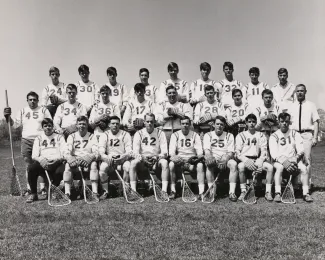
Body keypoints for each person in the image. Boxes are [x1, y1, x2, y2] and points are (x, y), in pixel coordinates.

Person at [3, 91, 52, 195]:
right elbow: (15, 125)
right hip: (26, 140)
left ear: (38, 100)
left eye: (34, 99)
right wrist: (8, 117)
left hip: (40, 140)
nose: (32, 101)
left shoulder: (43, 110)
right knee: (29, 165)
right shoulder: (22, 111)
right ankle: (30, 188)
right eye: (30, 99)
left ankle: (43, 188)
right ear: (27, 101)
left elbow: (49, 123)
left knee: (42, 163)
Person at [269, 112, 312, 202]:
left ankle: (305, 193)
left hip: (293, 160)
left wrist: (294, 159)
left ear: (289, 122)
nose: (284, 123)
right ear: (278, 122)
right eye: (282, 121)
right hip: (279, 162)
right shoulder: (274, 136)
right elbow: (274, 153)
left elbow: (301, 150)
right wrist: (285, 162)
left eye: (286, 121)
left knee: (304, 168)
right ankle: (277, 193)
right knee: (280, 168)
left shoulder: (295, 134)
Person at [235, 114, 274, 201]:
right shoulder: (241, 135)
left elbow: (264, 151)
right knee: (240, 167)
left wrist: (260, 161)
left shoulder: (260, 135)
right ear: (246, 123)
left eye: (253, 122)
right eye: (249, 122)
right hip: (245, 159)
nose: (251, 124)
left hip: (257, 159)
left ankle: (268, 192)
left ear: (256, 123)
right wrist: (246, 161)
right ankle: (243, 191)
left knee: (270, 167)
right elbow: (237, 152)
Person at [288, 84, 320, 187]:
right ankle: (294, 184)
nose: (300, 93)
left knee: (306, 159)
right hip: (295, 134)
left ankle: (307, 185)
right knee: (294, 158)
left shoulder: (311, 105)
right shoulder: (292, 106)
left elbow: (316, 121)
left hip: (307, 134)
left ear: (305, 91)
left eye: (302, 91)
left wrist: (315, 137)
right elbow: (288, 122)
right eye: (298, 91)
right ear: (295, 93)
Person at [129, 113, 169, 195]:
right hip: (143, 161)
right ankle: (133, 191)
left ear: (154, 122)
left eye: (151, 121)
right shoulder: (139, 133)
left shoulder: (160, 133)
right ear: (144, 122)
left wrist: (157, 157)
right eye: (147, 121)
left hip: (155, 160)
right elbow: (135, 152)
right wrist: (142, 158)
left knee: (165, 162)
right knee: (133, 163)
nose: (149, 123)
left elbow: (165, 152)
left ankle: (164, 191)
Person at [29, 118, 66, 203]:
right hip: (44, 163)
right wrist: (41, 160)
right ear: (42, 127)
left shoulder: (59, 137)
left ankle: (54, 189)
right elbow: (34, 155)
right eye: (45, 126)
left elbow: (65, 151)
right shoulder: (38, 138)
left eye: (50, 125)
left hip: (56, 162)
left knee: (63, 169)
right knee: (31, 168)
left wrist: (58, 159)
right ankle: (34, 194)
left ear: (53, 126)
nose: (48, 128)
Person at [203, 116, 238, 202]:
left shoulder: (229, 135)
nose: (219, 126)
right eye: (217, 124)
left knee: (234, 164)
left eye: (221, 124)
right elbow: (207, 150)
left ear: (224, 126)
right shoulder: (208, 135)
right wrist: (210, 157)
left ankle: (232, 192)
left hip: (225, 158)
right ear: (214, 125)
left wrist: (225, 158)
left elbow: (230, 152)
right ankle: (212, 192)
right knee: (209, 164)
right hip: (213, 157)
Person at [63, 116, 99, 199]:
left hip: (87, 160)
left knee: (94, 164)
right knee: (67, 166)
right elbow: (67, 150)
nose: (81, 126)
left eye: (84, 124)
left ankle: (95, 192)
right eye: (79, 124)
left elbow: (96, 151)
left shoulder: (92, 136)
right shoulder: (71, 136)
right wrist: (70, 158)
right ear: (76, 125)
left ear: (87, 125)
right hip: (75, 160)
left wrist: (90, 157)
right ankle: (67, 193)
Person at [169, 116, 204, 199]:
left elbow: (199, 152)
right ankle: (173, 190)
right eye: (183, 123)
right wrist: (175, 158)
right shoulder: (175, 135)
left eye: (187, 124)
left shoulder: (195, 135)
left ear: (190, 125)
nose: (185, 125)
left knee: (200, 165)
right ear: (180, 125)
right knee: (171, 164)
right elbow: (171, 152)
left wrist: (196, 159)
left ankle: (201, 192)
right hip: (179, 160)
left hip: (191, 160)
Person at [98, 116, 132, 199]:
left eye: (117, 123)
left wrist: (123, 158)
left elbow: (129, 150)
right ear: (109, 125)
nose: (115, 125)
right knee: (102, 168)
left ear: (119, 125)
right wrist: (106, 158)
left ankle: (125, 190)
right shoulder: (104, 135)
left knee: (127, 167)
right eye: (113, 123)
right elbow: (101, 151)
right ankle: (106, 191)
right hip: (110, 159)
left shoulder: (125, 134)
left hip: (122, 159)